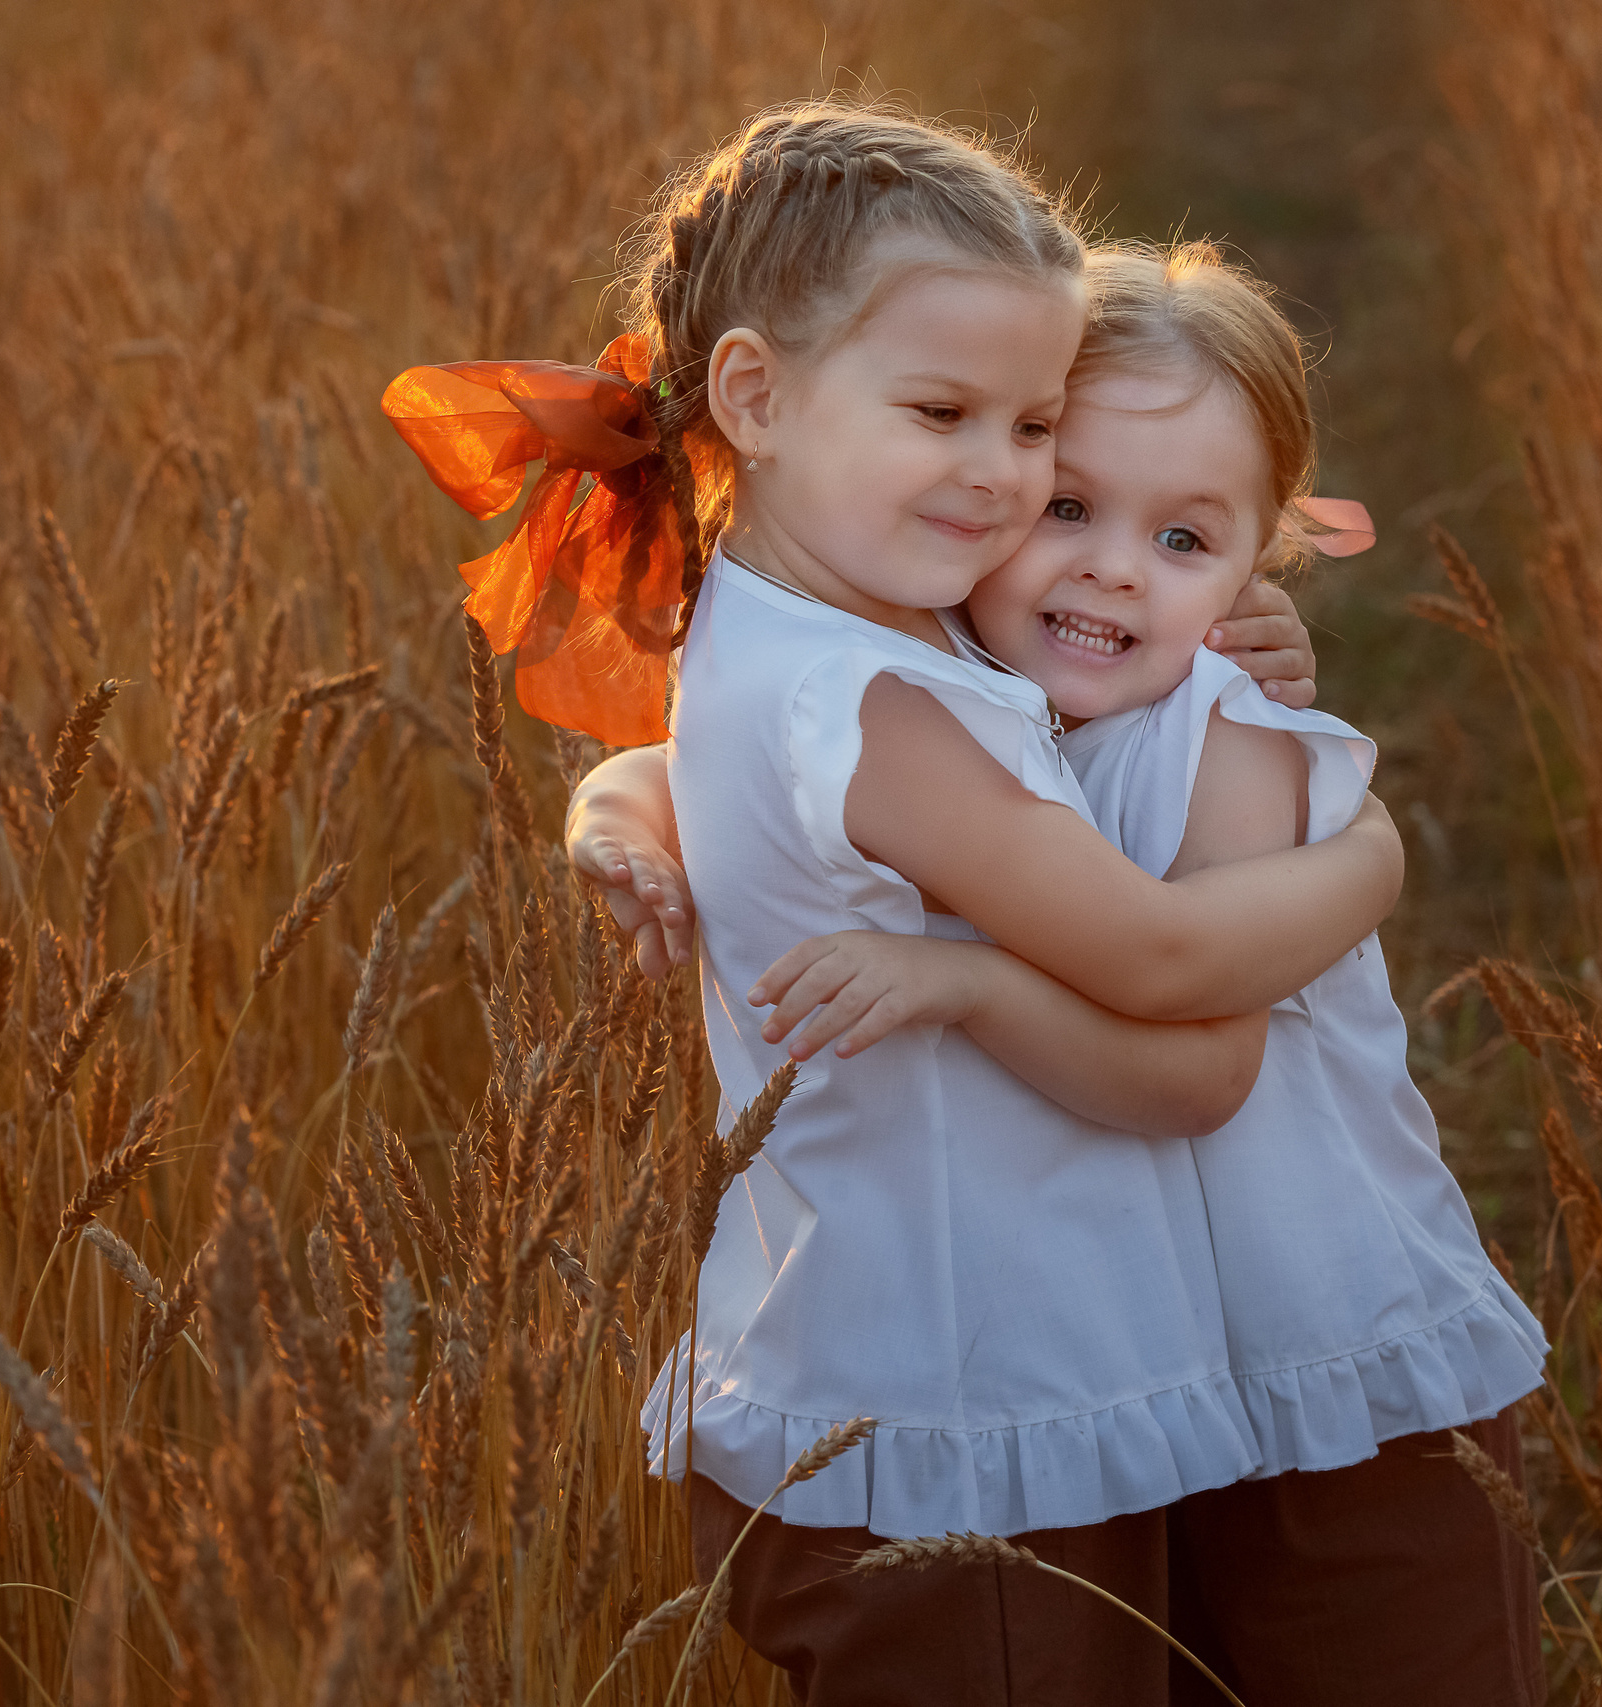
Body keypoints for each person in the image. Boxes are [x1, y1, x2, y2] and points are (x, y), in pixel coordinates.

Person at [393, 102, 1416, 1704]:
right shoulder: (898, 711)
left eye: (1030, 430)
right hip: (971, 1429)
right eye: (945, 411)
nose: (1001, 479)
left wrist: (614, 808)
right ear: (758, 394)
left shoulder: (792, 617)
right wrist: (1372, 859)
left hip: (907, 1384)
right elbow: (1160, 969)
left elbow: (705, 759)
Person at [570, 238, 1548, 1706]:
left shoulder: (1226, 739)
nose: (1107, 567)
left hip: (1329, 1358)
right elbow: (726, 757)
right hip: (1141, 1391)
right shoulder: (960, 687)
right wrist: (610, 816)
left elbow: (1203, 1056)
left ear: (1251, 563)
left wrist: (1374, 857)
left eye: (1183, 540)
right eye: (1072, 504)